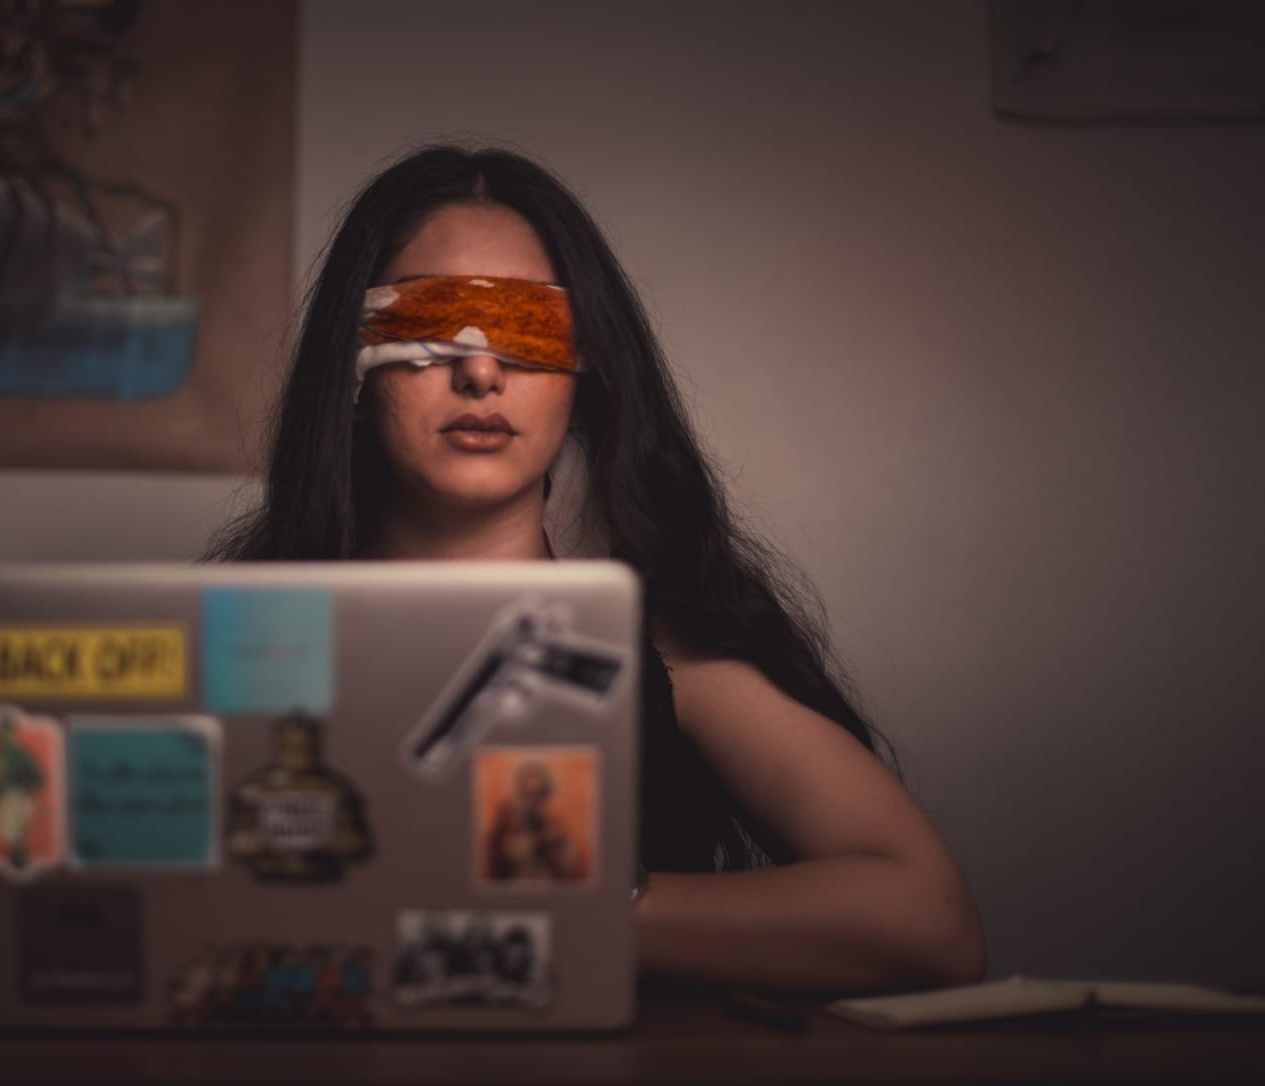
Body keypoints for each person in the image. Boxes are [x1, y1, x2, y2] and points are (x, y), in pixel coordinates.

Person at [207, 144, 985, 993]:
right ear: (353, 362)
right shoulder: (238, 637)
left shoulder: (661, 642)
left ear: (586, 375)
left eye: (531, 328)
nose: (479, 370)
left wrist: (541, 909)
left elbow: (930, 921)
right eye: (430, 323)